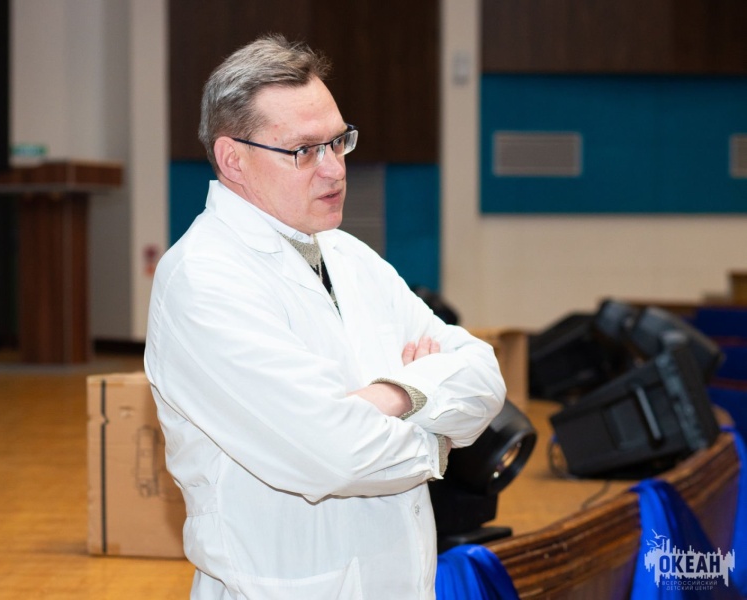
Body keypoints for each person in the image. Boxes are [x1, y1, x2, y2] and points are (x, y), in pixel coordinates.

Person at [144, 34, 506, 600]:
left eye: (339, 142)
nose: (334, 169)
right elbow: (333, 455)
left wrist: (394, 395)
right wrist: (441, 437)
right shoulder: (203, 279)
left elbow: (483, 374)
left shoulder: (346, 254)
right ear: (233, 159)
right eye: (304, 151)